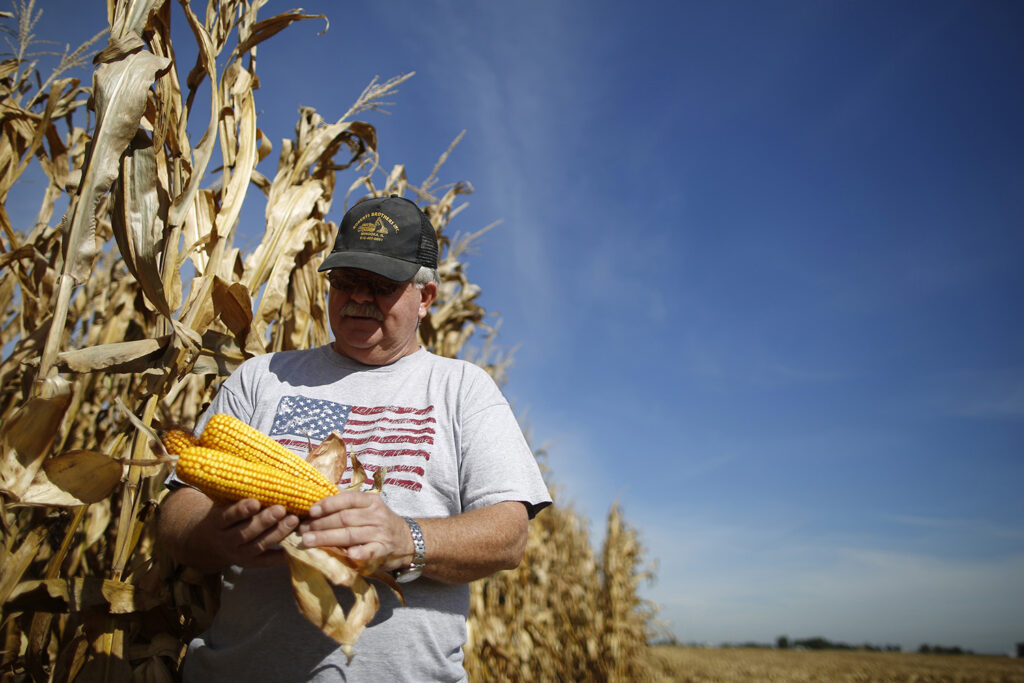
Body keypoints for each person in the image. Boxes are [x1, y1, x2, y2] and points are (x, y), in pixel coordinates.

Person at [157, 195, 551, 682]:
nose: (359, 297)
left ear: (425, 298)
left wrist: (409, 540)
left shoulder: (462, 389)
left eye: (382, 285)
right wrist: (216, 535)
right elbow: (177, 510)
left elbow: (509, 535)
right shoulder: (261, 378)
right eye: (346, 282)